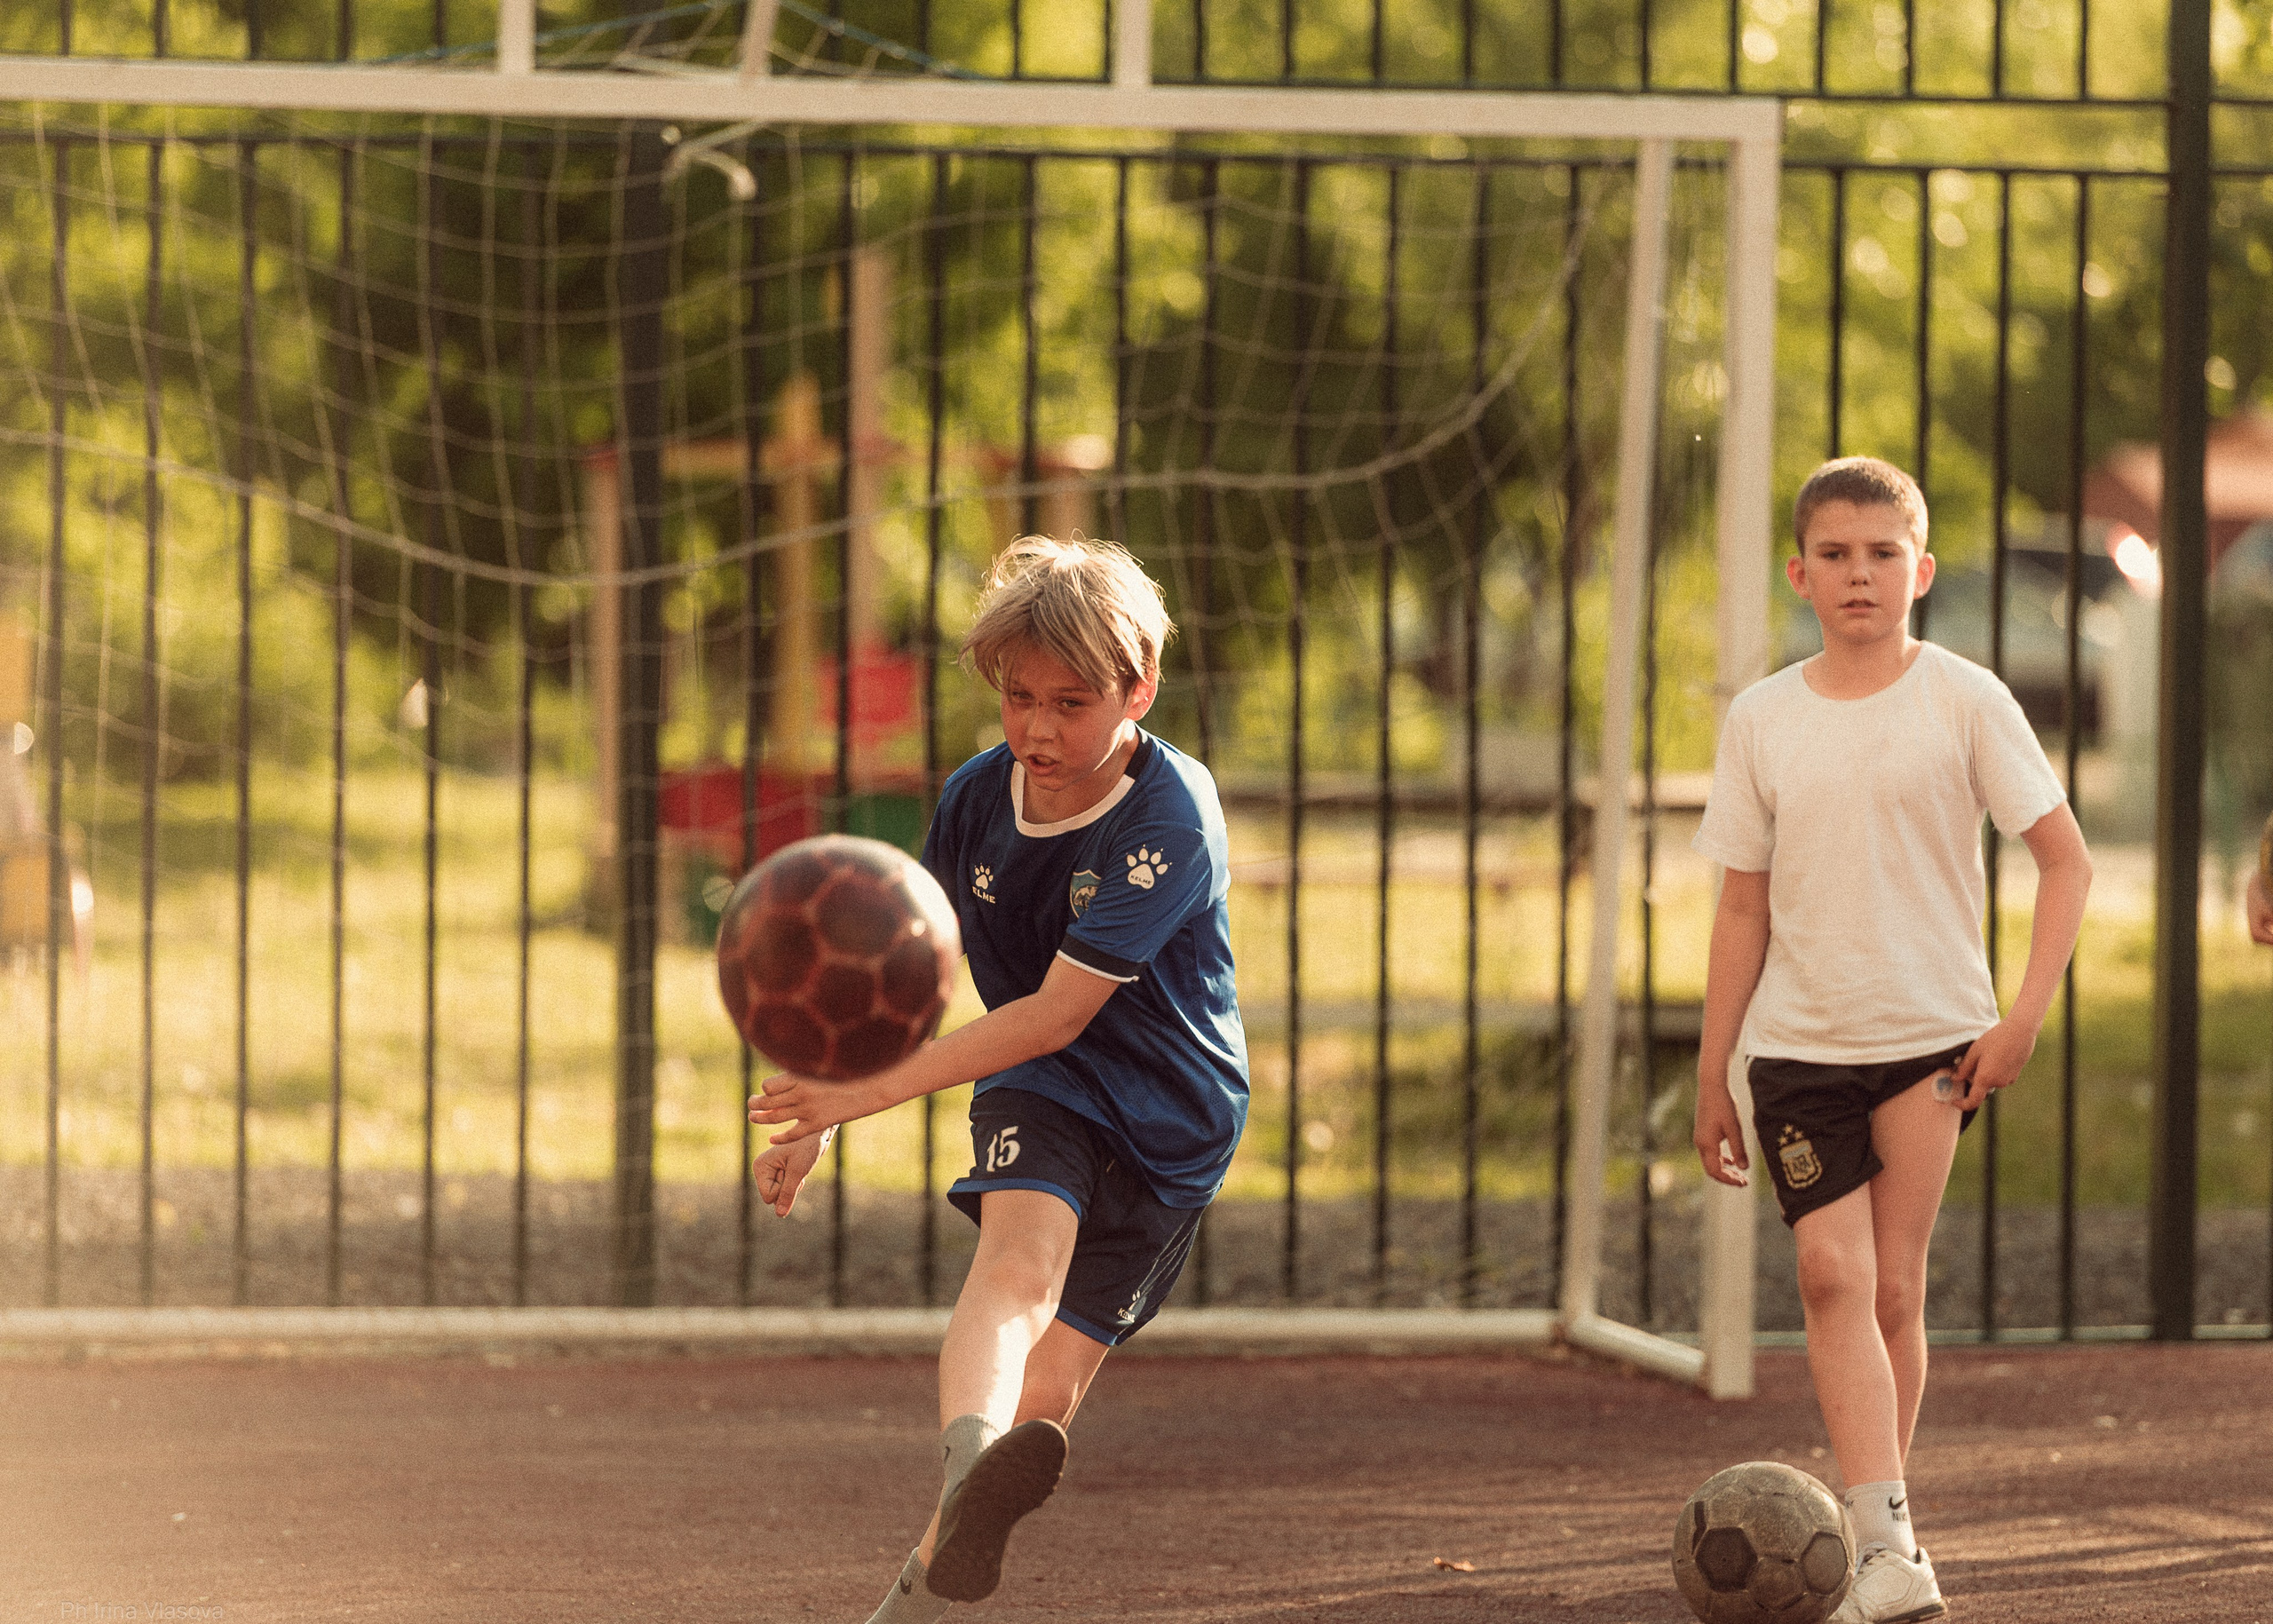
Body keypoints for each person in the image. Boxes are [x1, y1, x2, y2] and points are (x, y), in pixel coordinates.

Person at [749, 535, 1247, 1623]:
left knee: (1047, 1400)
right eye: (1019, 696)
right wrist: (825, 1106)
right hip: (1045, 1082)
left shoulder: (1171, 813)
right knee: (1017, 1266)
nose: (1036, 727)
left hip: (1173, 1120)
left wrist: (854, 1097)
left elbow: (1063, 1005)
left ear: (1140, 687)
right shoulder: (978, 796)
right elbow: (907, 972)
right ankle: (968, 1458)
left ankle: (948, 1533)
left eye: (1070, 702)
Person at [1690, 457, 2092, 1624]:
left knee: (1896, 1292)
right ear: (1799, 573)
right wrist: (1717, 1069)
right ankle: (1888, 1546)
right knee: (1831, 1274)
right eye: (1834, 554)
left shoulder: (1967, 699)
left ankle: (1881, 1542)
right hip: (1798, 1049)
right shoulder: (1762, 717)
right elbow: (1740, 907)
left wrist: (2021, 1018)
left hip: (1934, 1042)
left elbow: (2065, 857)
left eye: (1881, 554)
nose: (1858, 574)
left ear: (1920, 570)